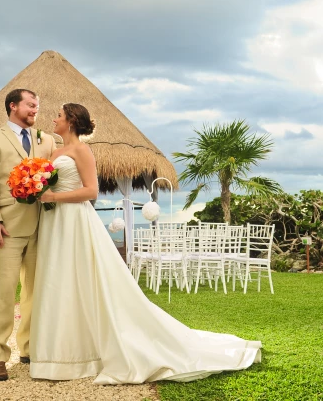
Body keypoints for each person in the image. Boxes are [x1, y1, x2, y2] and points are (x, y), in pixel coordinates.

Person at [29, 103, 261, 384]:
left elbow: (91, 191)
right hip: (54, 223)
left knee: (86, 279)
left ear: (72, 121)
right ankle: (60, 354)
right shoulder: (55, 151)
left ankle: (90, 355)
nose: (54, 119)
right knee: (59, 280)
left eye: (59, 116)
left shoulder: (82, 150)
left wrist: (54, 198)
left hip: (75, 220)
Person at [0, 88, 57, 381]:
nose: (36, 109)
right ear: (13, 106)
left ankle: (30, 348)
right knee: (4, 293)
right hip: (6, 229)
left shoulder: (46, 140)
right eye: (30, 105)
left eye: (37, 105)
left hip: (42, 227)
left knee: (36, 291)